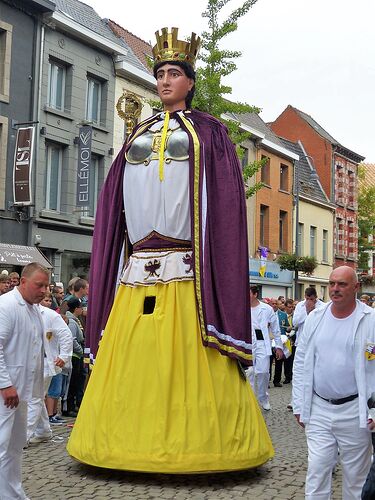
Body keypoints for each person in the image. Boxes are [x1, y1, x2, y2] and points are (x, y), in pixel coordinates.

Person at [67, 26, 274, 472]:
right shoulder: (135, 135)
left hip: (187, 272)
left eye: (174, 73)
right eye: (160, 73)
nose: (164, 81)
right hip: (138, 268)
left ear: (190, 82)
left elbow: (220, 207)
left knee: (188, 371)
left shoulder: (212, 134)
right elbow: (115, 204)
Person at [292, 266, 375, 499]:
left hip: (355, 411)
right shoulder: (315, 318)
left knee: (356, 477)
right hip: (319, 408)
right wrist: (299, 404)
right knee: (317, 470)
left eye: (342, 284)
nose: (335, 289)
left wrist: (374, 411)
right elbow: (301, 362)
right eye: (332, 284)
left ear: (356, 287)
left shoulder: (370, 320)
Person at [0, 262, 50, 499]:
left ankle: (12, 493)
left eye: (47, 286)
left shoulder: (33, 310)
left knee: (15, 446)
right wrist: (5, 384)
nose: (44, 291)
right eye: (39, 285)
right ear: (22, 282)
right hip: (6, 392)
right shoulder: (6, 305)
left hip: (22, 391)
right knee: (1, 445)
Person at [27, 291, 72, 442]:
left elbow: (65, 334)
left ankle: (23, 437)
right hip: (27, 363)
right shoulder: (23, 312)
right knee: (36, 397)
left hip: (46, 363)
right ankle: (44, 431)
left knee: (34, 398)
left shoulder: (50, 315)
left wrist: (64, 356)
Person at [247, 286, 283, 410]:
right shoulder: (242, 308)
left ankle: (263, 398)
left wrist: (279, 346)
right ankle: (250, 400)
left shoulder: (267, 309)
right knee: (249, 372)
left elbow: (275, 329)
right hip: (248, 342)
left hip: (262, 343)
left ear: (255, 294)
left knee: (263, 372)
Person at [64, 297, 85, 418]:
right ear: (76, 308)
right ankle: (69, 407)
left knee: (76, 382)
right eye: (81, 307)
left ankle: (73, 405)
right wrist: (80, 350)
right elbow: (72, 339)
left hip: (77, 355)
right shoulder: (72, 322)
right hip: (74, 355)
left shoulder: (75, 320)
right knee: (71, 383)